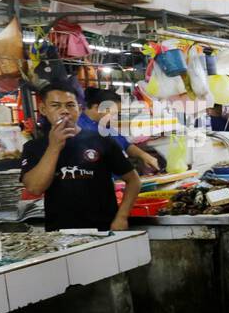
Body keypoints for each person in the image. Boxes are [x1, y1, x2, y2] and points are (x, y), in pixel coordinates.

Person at [20, 80, 140, 231]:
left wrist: (121, 217)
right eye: (55, 105)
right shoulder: (33, 147)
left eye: (70, 105)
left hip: (104, 230)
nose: (64, 111)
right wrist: (54, 146)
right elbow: (35, 188)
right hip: (59, 234)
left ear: (79, 109)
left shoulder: (102, 140)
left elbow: (134, 181)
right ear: (43, 109)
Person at [80, 87, 162, 174]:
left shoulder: (106, 125)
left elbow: (125, 145)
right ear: (97, 108)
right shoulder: (78, 127)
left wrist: (144, 155)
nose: (116, 117)